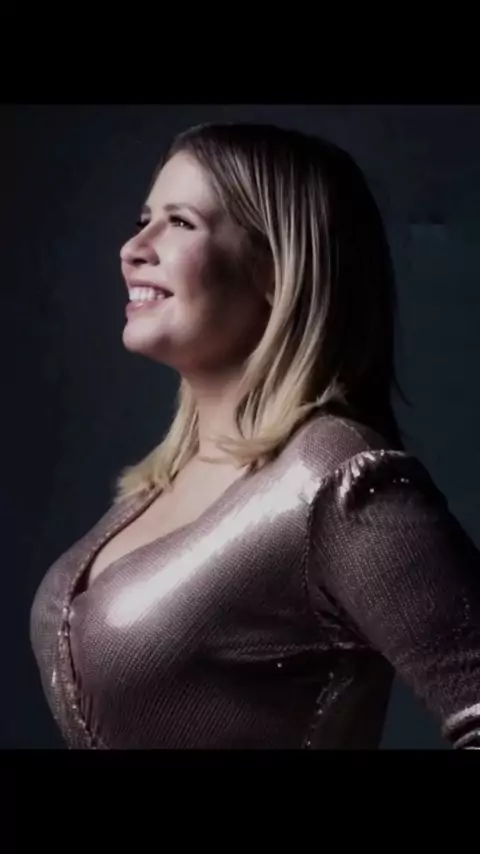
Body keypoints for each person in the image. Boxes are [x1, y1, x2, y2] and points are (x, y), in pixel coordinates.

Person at [30, 122, 480, 750]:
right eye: (143, 219)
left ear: (277, 268)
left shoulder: (333, 476)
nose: (133, 248)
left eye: (180, 222)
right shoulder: (159, 486)